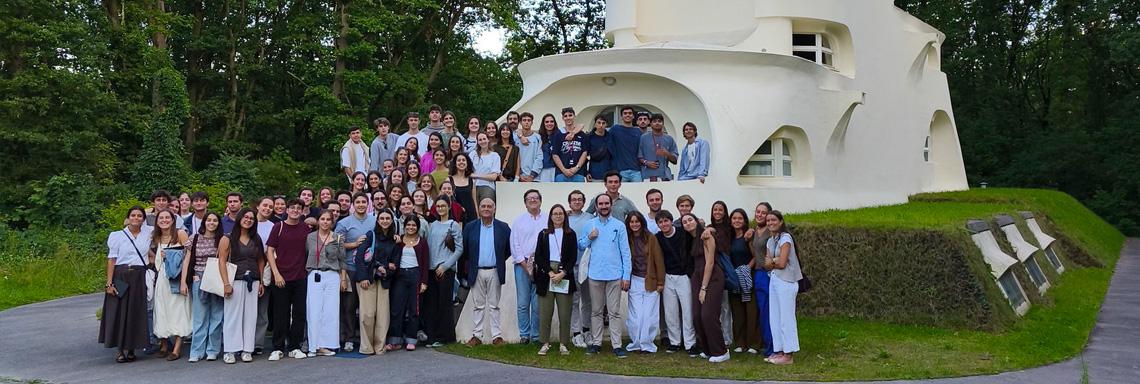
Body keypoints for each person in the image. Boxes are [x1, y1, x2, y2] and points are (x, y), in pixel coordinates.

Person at [577, 193, 631, 358]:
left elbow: (626, 252)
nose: (604, 206)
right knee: (596, 311)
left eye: (606, 203)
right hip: (595, 274)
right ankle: (596, 343)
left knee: (614, 312)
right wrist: (589, 237)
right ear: (597, 206)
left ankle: (617, 345)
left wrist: (626, 276)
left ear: (611, 205)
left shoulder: (619, 226)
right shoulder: (589, 224)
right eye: (600, 204)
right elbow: (580, 245)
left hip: (615, 274)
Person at [100, 206, 153, 363]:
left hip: (138, 276)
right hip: (121, 275)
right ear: (127, 218)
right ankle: (120, 350)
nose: (136, 218)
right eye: (133, 215)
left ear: (143, 219)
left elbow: (162, 221)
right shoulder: (117, 236)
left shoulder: (148, 233)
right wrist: (109, 283)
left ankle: (131, 349)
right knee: (119, 311)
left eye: (139, 216)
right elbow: (112, 259)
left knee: (136, 312)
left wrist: (147, 210)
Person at [218, 208, 266, 363]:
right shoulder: (228, 238)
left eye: (252, 218)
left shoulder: (256, 238)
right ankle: (230, 350)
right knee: (233, 316)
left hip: (253, 281)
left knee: (251, 316)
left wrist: (261, 281)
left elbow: (260, 260)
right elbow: (222, 262)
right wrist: (226, 283)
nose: (248, 220)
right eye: (246, 217)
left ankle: (247, 349)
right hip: (235, 281)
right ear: (239, 218)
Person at [462, 198, 511, 346]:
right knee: (478, 305)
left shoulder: (503, 227)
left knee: (494, 305)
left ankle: (497, 336)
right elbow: (465, 249)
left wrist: (499, 260)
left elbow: (508, 249)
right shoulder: (471, 227)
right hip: (476, 271)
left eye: (490, 206)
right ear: (479, 209)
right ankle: (477, 336)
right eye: (483, 206)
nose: (486, 208)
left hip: (495, 270)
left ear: (494, 209)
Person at [266, 199, 310, 361]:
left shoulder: (305, 228)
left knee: (299, 313)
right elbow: (270, 251)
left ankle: (295, 346)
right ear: (287, 209)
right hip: (281, 276)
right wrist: (276, 273)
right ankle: (278, 347)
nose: (295, 210)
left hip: (300, 276)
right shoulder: (279, 227)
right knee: (280, 313)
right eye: (292, 208)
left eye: (299, 208)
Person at [683, 213, 729, 363]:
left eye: (690, 220)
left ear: (696, 221)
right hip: (697, 276)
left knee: (708, 314)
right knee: (697, 315)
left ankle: (721, 351)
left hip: (712, 276)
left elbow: (709, 263)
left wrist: (704, 287)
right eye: (684, 222)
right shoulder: (691, 239)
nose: (687, 223)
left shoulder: (706, 236)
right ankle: (707, 349)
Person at [534, 204, 578, 356]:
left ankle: (563, 343)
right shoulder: (544, 234)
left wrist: (563, 273)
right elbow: (538, 255)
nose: (558, 216)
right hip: (547, 276)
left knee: (565, 313)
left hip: (564, 275)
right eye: (555, 213)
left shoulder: (570, 234)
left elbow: (573, 257)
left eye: (560, 214)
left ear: (564, 217)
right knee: (545, 312)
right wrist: (549, 272)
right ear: (550, 216)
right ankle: (545, 343)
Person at [180, 212, 224, 362]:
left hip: (216, 278)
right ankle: (196, 351)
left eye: (215, 220)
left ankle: (212, 350)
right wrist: (183, 282)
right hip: (198, 278)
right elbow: (186, 261)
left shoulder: (222, 239)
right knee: (200, 317)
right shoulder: (194, 238)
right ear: (204, 222)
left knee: (217, 316)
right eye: (209, 220)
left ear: (219, 223)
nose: (212, 223)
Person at [304, 210, 348, 357]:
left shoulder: (338, 237)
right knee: (314, 311)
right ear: (318, 221)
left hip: (332, 275)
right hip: (315, 275)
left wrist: (343, 279)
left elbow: (342, 259)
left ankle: (327, 345)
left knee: (330, 311)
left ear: (332, 222)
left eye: (328, 219)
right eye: (322, 219)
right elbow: (305, 254)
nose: (325, 222)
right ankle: (313, 346)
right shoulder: (310, 237)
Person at [335, 193, 375, 353]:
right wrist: (354, 244)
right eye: (357, 202)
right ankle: (349, 338)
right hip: (350, 268)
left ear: (368, 204)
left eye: (363, 202)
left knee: (367, 308)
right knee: (349, 306)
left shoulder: (374, 220)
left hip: (368, 269)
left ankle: (367, 339)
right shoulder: (344, 223)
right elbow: (336, 245)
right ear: (353, 204)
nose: (360, 205)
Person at [655, 210, 699, 356]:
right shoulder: (658, 238)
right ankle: (674, 342)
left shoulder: (682, 233)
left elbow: (697, 233)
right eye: (660, 222)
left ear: (671, 221)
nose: (664, 224)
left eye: (666, 221)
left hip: (684, 277)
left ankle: (690, 343)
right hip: (668, 277)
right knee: (670, 312)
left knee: (687, 311)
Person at [150, 210, 191, 361]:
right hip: (162, 279)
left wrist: (184, 281)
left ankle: (177, 347)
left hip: (177, 278)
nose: (164, 220)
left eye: (168, 217)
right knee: (162, 310)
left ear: (173, 220)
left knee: (179, 311)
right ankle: (164, 344)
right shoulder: (156, 236)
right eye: (161, 218)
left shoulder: (180, 234)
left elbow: (189, 254)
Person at [354, 210, 397, 355]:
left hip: (384, 281)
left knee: (383, 316)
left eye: (388, 218)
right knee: (367, 314)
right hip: (368, 279)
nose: (385, 221)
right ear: (377, 220)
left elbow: (395, 263)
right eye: (382, 218)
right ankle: (366, 347)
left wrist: (387, 270)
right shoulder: (370, 235)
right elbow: (359, 257)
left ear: (392, 221)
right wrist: (363, 277)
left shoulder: (394, 240)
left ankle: (380, 346)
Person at [763, 210, 802, 365]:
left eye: (773, 220)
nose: (770, 223)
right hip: (774, 279)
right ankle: (779, 350)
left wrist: (773, 261)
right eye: (768, 220)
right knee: (775, 317)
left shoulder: (786, 238)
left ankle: (788, 354)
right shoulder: (770, 241)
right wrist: (774, 260)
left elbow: (782, 263)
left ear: (780, 222)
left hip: (787, 281)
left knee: (786, 318)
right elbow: (766, 264)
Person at [424, 196, 463, 347]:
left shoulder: (453, 225)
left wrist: (446, 266)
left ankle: (444, 337)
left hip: (445, 269)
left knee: (444, 304)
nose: (440, 208)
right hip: (432, 269)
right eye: (438, 206)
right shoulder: (432, 225)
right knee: (432, 304)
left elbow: (459, 248)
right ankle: (432, 336)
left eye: (443, 206)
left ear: (448, 206)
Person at [623, 211, 664, 354]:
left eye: (637, 221)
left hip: (651, 281)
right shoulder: (626, 238)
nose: (634, 224)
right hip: (634, 280)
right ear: (628, 224)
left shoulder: (651, 238)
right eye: (631, 222)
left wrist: (660, 282)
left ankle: (647, 344)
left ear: (642, 222)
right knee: (635, 316)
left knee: (649, 316)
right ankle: (636, 343)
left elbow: (658, 260)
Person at [388, 214, 430, 351]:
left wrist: (424, 282)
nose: (411, 227)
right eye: (408, 225)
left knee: (414, 309)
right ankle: (395, 339)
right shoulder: (399, 241)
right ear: (404, 226)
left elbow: (425, 263)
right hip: (400, 276)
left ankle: (411, 339)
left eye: (414, 225)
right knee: (396, 309)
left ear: (418, 227)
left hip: (415, 275)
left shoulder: (422, 242)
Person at [509, 189, 546, 344]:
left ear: (540, 201)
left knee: (538, 304)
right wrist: (525, 266)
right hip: (522, 265)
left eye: (536, 198)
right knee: (523, 302)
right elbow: (514, 244)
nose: (533, 200)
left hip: (542, 266)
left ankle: (536, 336)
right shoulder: (519, 221)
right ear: (525, 202)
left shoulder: (547, 219)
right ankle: (524, 335)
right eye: (529, 198)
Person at [727, 209, 760, 354]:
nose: (737, 221)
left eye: (740, 218)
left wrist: (747, 268)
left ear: (744, 220)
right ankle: (740, 342)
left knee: (751, 310)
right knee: (737, 311)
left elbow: (755, 255)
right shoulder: (729, 238)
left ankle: (754, 343)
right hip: (734, 279)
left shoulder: (748, 237)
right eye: (734, 218)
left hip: (747, 276)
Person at [565, 190, 593, 348]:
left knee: (588, 301)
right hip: (571, 266)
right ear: (569, 203)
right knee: (574, 301)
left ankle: (587, 330)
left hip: (588, 266)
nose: (576, 202)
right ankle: (576, 333)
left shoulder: (591, 219)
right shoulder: (564, 219)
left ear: (583, 202)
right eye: (573, 200)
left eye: (579, 200)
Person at [750, 202, 775, 358]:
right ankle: (767, 344)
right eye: (758, 211)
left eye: (763, 213)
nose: (759, 214)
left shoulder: (770, 232)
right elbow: (755, 253)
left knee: (770, 311)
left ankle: (773, 346)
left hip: (768, 275)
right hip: (758, 274)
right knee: (762, 311)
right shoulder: (755, 231)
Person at [253, 198, 277, 354]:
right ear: (257, 206)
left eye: (270, 207)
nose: (267, 208)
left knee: (262, 311)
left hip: (265, 270)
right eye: (265, 205)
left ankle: (257, 344)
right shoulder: (247, 221)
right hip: (246, 268)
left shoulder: (273, 226)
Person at [709, 201, 734, 346]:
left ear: (725, 212)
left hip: (725, 271)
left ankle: (727, 338)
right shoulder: (709, 228)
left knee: (725, 307)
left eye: (720, 210)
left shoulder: (729, 228)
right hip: (713, 271)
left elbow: (724, 248)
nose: (717, 212)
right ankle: (717, 335)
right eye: (715, 209)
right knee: (716, 307)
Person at [638, 114, 678, 181]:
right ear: (650, 124)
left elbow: (675, 160)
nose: (657, 123)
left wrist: (667, 153)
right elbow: (639, 157)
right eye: (654, 121)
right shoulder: (644, 138)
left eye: (659, 121)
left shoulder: (669, 139)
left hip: (664, 176)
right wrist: (647, 163)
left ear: (663, 124)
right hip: (647, 176)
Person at [609, 106, 643, 182]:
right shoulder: (615, 129)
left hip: (636, 171)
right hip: (620, 170)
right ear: (621, 116)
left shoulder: (638, 132)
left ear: (633, 116)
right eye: (625, 113)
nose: (628, 115)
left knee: (639, 192)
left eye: (630, 113)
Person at [553, 114, 589, 182]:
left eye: (570, 115)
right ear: (563, 118)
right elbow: (555, 154)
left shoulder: (582, 134)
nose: (568, 118)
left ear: (574, 117)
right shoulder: (558, 134)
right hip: (561, 174)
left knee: (578, 192)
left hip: (578, 173)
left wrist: (577, 168)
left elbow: (584, 153)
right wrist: (564, 170)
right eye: (565, 116)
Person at [471, 132, 501, 203]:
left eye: (484, 139)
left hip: (487, 187)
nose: (482, 141)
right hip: (473, 187)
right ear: (477, 142)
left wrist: (475, 175)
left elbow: (493, 177)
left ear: (488, 140)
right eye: (480, 140)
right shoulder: (472, 154)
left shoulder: (495, 156)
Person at [514, 112, 543, 182]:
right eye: (524, 120)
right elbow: (513, 158)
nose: (526, 122)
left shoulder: (538, 137)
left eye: (529, 120)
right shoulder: (515, 137)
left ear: (532, 122)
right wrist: (519, 174)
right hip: (519, 177)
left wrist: (532, 175)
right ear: (520, 122)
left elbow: (539, 157)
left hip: (534, 177)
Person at [449, 152, 477, 223]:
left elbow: (474, 200)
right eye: (459, 160)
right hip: (455, 215)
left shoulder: (471, 180)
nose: (461, 162)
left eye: (463, 160)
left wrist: (477, 215)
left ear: (467, 163)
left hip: (471, 215)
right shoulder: (449, 180)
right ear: (455, 163)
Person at [587, 115, 612, 182]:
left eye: (603, 123)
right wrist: (586, 172)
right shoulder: (589, 138)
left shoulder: (610, 137)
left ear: (606, 124)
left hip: (609, 174)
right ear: (595, 124)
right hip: (594, 174)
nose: (601, 125)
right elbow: (584, 156)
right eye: (599, 122)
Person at [537, 113, 559, 182]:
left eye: (551, 121)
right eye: (547, 122)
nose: (549, 123)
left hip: (556, 169)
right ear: (543, 123)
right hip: (543, 169)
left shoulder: (560, 135)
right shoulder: (538, 137)